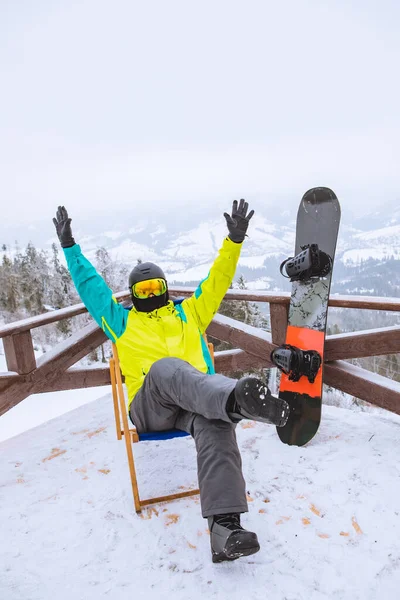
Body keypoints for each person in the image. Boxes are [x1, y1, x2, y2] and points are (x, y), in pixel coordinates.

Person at [53, 199, 289, 563]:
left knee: (216, 426)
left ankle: (225, 529)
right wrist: (70, 248)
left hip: (197, 405)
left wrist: (234, 241)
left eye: (155, 288)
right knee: (166, 368)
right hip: (152, 409)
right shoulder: (121, 321)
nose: (150, 295)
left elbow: (217, 281)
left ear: (164, 287)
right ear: (133, 296)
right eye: (142, 291)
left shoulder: (190, 312)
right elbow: (91, 288)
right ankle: (236, 401)